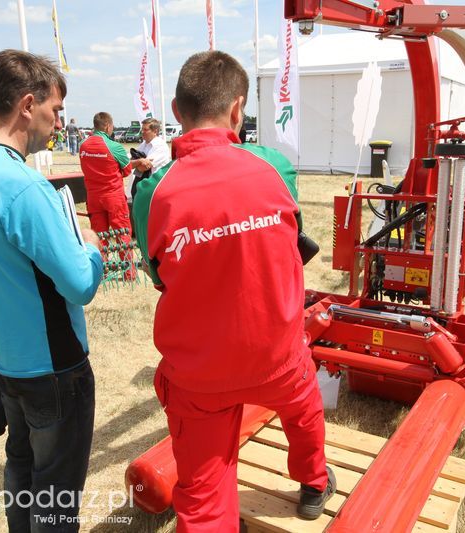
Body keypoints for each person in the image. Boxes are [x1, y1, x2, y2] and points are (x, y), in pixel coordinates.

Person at [133, 50, 333, 531]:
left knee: (201, 498)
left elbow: (162, 275)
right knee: (304, 409)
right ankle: (312, 483)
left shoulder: (153, 192)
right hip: (278, 356)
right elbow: (291, 242)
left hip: (198, 374)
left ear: (177, 113)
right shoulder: (274, 168)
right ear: (239, 109)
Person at [0, 49, 104, 532]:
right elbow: (79, 284)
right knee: (55, 494)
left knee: (21, 470)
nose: (59, 122)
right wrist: (92, 247)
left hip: (1, 359)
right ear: (27, 104)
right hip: (52, 366)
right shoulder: (23, 186)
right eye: (55, 110)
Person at [78, 112, 134, 271]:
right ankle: (128, 271)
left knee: (99, 235)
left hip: (94, 197)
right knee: (122, 233)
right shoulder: (114, 146)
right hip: (113, 197)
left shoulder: (83, 145)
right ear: (108, 126)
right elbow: (127, 169)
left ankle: (100, 269)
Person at [126, 117, 172, 205]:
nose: (142, 132)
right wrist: (140, 161)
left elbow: (143, 167)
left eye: (145, 129)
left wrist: (137, 162)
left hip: (155, 187)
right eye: (142, 129)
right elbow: (128, 163)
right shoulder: (144, 144)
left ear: (155, 131)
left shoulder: (160, 146)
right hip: (143, 185)